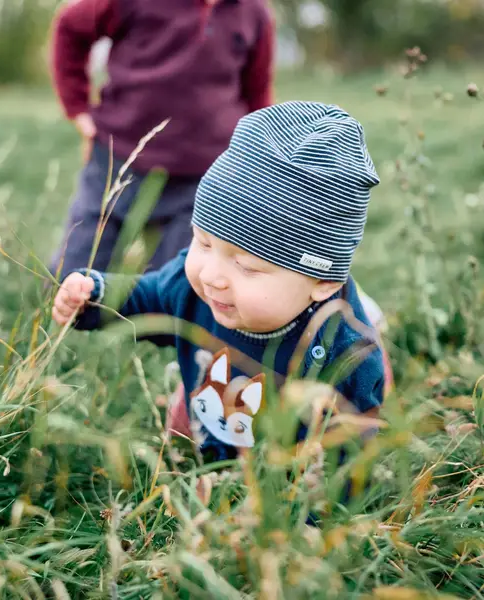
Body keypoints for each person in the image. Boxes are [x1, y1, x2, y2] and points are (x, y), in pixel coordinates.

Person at [52, 101, 388, 496]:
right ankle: (194, 420)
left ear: (322, 281)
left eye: (246, 266)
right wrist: (94, 296)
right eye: (203, 242)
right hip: (216, 414)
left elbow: (348, 458)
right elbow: (145, 299)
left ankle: (377, 323)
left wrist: (314, 519)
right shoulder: (192, 282)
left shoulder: (345, 355)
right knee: (184, 418)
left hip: (287, 463)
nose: (212, 275)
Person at [48, 0, 276, 280]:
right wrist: (78, 109)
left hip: (200, 179)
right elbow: (71, 26)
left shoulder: (254, 13)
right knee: (71, 275)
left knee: (174, 289)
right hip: (117, 160)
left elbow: (257, 93)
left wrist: (256, 156)